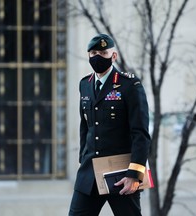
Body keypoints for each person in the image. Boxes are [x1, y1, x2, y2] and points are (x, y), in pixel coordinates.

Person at [69, 33, 151, 216]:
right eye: (94, 52)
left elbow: (141, 133)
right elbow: (86, 126)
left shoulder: (130, 85)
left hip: (122, 175)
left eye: (103, 53)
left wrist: (135, 174)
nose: (98, 57)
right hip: (89, 173)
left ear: (113, 56)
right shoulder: (85, 84)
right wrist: (83, 159)